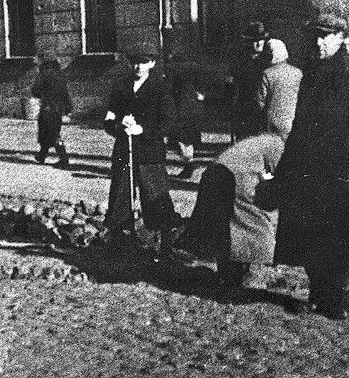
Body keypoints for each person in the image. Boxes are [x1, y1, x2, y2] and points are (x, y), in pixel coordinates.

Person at [273, 13, 349, 319]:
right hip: (310, 166)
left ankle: (342, 298)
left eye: (326, 36)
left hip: (342, 168)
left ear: (341, 38)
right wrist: (286, 165)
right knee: (312, 232)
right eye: (315, 35)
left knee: (342, 235)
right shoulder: (311, 71)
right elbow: (300, 123)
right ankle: (319, 294)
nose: (319, 41)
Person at [175, 133, 284, 286]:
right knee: (250, 226)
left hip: (216, 174)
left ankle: (230, 272)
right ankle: (251, 274)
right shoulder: (279, 145)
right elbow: (284, 181)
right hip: (233, 180)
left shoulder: (267, 140)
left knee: (226, 228)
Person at [103, 52, 180, 256]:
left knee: (155, 196)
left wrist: (143, 130)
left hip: (149, 152)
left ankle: (164, 244)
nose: (138, 67)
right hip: (124, 150)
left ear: (152, 63)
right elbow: (108, 118)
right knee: (120, 194)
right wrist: (119, 125)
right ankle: (119, 241)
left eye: (143, 62)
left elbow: (168, 121)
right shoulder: (121, 86)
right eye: (135, 62)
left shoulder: (160, 88)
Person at [165, 56, 205, 179]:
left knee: (180, 139)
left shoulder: (170, 68)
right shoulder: (195, 66)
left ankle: (190, 165)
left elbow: (168, 89)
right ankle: (189, 165)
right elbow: (201, 90)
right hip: (192, 108)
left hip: (179, 109)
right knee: (186, 139)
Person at [232, 21, 271, 142]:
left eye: (261, 39)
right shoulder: (241, 59)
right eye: (255, 40)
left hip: (263, 108)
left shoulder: (268, 59)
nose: (259, 43)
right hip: (245, 104)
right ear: (249, 42)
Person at [256, 38, 302, 140]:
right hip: (293, 122)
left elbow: (260, 101)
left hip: (273, 124)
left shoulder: (267, 74)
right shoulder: (298, 73)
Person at [32, 59, 73, 169]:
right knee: (50, 132)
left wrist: (43, 94)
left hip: (47, 109)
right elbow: (66, 95)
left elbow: (35, 91)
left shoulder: (43, 76)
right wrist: (68, 109)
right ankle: (41, 155)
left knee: (52, 134)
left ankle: (64, 159)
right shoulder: (61, 78)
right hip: (58, 110)